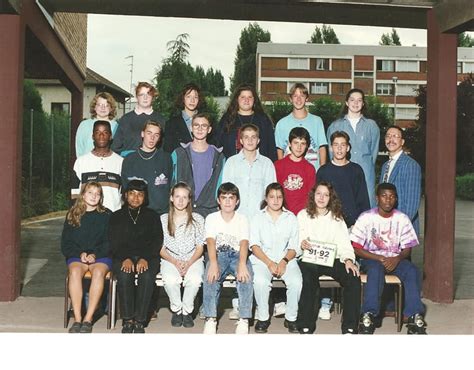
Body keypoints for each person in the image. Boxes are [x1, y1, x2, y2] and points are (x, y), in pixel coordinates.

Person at [351, 182, 427, 335]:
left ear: (396, 199)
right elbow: (356, 248)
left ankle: (414, 316)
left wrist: (398, 259)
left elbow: (407, 248)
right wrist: (378, 258)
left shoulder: (402, 218)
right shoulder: (366, 217)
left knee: (412, 270)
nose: (388, 200)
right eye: (384, 196)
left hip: (395, 259)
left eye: (392, 197)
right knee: (375, 269)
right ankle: (368, 315)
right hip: (371, 259)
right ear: (377, 198)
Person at [316, 130, 370, 320]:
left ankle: (351, 306)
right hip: (328, 224)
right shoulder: (323, 171)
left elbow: (363, 200)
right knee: (326, 262)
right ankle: (325, 301)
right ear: (331, 148)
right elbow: (318, 200)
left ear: (348, 148)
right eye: (335, 145)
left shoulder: (356, 170)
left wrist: (359, 226)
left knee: (347, 265)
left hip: (351, 226)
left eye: (342, 145)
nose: (339, 148)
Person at [296, 182, 361, 334]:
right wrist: (302, 244)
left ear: (331, 198)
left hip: (331, 258)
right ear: (313, 195)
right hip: (309, 258)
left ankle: (350, 327)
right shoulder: (302, 215)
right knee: (309, 277)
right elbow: (297, 240)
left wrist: (348, 260)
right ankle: (305, 324)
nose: (322, 198)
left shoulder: (337, 219)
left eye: (326, 195)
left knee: (353, 277)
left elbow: (345, 245)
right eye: (319, 193)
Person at [109, 179, 163, 334]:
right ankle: (127, 319)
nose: (135, 198)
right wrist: (125, 257)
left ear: (145, 197)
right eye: (132, 194)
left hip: (148, 256)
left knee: (146, 276)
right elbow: (113, 241)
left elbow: (157, 240)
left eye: (140, 194)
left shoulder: (152, 216)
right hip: (122, 255)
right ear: (126, 195)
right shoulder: (116, 216)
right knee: (125, 275)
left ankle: (140, 320)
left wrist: (144, 257)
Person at [250, 182, 302, 333]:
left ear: (283, 198)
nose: (276, 200)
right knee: (260, 281)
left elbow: (294, 246)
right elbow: (254, 245)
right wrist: (269, 263)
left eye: (279, 197)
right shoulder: (257, 218)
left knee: (296, 281)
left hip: (286, 258)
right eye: (272, 196)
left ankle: (291, 318)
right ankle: (263, 318)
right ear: (266, 198)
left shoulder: (290, 217)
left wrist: (284, 261)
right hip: (262, 259)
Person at [202, 182, 253, 334]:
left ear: (237, 201)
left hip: (238, 255)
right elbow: (210, 241)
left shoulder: (242, 219)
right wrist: (213, 263)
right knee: (210, 277)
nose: (228, 201)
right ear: (218, 200)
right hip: (218, 254)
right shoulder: (212, 218)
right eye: (224, 198)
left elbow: (244, 242)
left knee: (246, 277)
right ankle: (210, 318)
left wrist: (242, 264)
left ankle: (244, 318)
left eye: (231, 198)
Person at [61, 182, 111, 333]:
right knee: (75, 272)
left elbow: (110, 241)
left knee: (98, 273)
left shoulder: (107, 215)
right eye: (90, 192)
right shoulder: (72, 214)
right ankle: (77, 319)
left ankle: (88, 319)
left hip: (101, 255)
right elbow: (66, 243)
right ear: (83, 194)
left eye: (97, 194)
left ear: (101, 197)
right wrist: (80, 254)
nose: (94, 196)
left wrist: (95, 254)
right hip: (78, 255)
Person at [160, 182, 205, 329]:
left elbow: (200, 247)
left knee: (195, 278)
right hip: (170, 258)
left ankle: (187, 311)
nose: (180, 200)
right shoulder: (163, 219)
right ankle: (177, 309)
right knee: (171, 280)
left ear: (189, 200)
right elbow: (160, 248)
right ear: (171, 198)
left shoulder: (198, 219)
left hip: (193, 258)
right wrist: (175, 261)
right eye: (177, 196)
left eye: (184, 197)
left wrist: (189, 262)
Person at [326, 88, 380, 207]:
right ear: (346, 103)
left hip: (366, 175)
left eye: (359, 100)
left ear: (363, 103)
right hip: (342, 174)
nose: (356, 103)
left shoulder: (372, 126)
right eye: (352, 100)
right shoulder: (335, 126)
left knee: (366, 209)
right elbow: (332, 154)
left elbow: (374, 153)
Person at [171, 113, 225, 218]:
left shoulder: (219, 156)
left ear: (209, 129)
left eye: (204, 126)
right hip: (184, 209)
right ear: (191, 128)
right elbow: (173, 183)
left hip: (209, 211)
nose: (200, 129)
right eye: (196, 125)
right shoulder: (178, 154)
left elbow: (220, 185)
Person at [222, 123, 276, 221]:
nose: (250, 140)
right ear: (241, 141)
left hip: (260, 218)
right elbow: (226, 192)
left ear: (258, 140)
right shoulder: (231, 162)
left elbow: (271, 193)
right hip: (236, 218)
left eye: (253, 137)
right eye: (246, 137)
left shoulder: (267, 164)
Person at [121, 120, 172, 215]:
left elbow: (170, 186)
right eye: (149, 133)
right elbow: (125, 189)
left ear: (160, 138)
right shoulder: (129, 159)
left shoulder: (166, 158)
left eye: (156, 135)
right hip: (137, 213)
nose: (152, 138)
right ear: (142, 134)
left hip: (161, 213)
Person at [215, 84, 277, 161]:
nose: (246, 100)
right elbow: (218, 145)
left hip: (258, 167)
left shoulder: (263, 120)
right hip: (233, 167)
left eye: (250, 97)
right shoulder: (227, 119)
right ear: (237, 99)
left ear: (254, 100)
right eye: (243, 97)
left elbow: (271, 147)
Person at [72, 120, 123, 212]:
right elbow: (75, 194)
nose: (101, 136)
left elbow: (124, 194)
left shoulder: (120, 162)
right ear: (93, 136)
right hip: (87, 216)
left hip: (113, 217)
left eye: (105, 132)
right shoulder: (81, 162)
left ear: (110, 136)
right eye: (97, 132)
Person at [274, 83, 327, 170]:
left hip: (312, 173)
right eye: (295, 96)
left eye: (302, 96)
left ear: (307, 98)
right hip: (289, 173)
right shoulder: (281, 123)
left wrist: (322, 171)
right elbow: (280, 150)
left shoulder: (317, 121)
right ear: (290, 99)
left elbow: (322, 148)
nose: (298, 99)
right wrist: (282, 170)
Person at [380, 125, 421, 236]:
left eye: (395, 136)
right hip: (384, 226)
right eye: (388, 136)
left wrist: (397, 229)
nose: (391, 139)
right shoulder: (385, 166)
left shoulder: (411, 165)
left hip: (402, 229)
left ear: (402, 142)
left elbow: (412, 203)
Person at [112, 82, 166, 157]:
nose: (145, 98)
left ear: (153, 97)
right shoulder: (126, 119)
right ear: (137, 97)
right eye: (141, 95)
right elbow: (115, 147)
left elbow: (164, 147)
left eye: (148, 94)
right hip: (129, 163)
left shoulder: (161, 119)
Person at [274, 127, 316, 215]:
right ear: (289, 143)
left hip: (303, 215)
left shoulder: (310, 168)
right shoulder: (278, 165)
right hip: (282, 213)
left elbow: (311, 196)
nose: (299, 147)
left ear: (307, 146)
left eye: (303, 143)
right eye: (296, 143)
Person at [75, 92, 119, 158]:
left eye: (106, 105)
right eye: (99, 105)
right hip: (88, 165)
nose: (103, 108)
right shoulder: (84, 125)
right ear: (94, 107)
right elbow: (79, 148)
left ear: (111, 108)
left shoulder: (116, 126)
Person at [163, 83, 202, 153]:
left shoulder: (207, 122)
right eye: (188, 96)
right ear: (183, 98)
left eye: (195, 97)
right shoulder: (171, 124)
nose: (192, 100)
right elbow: (167, 150)